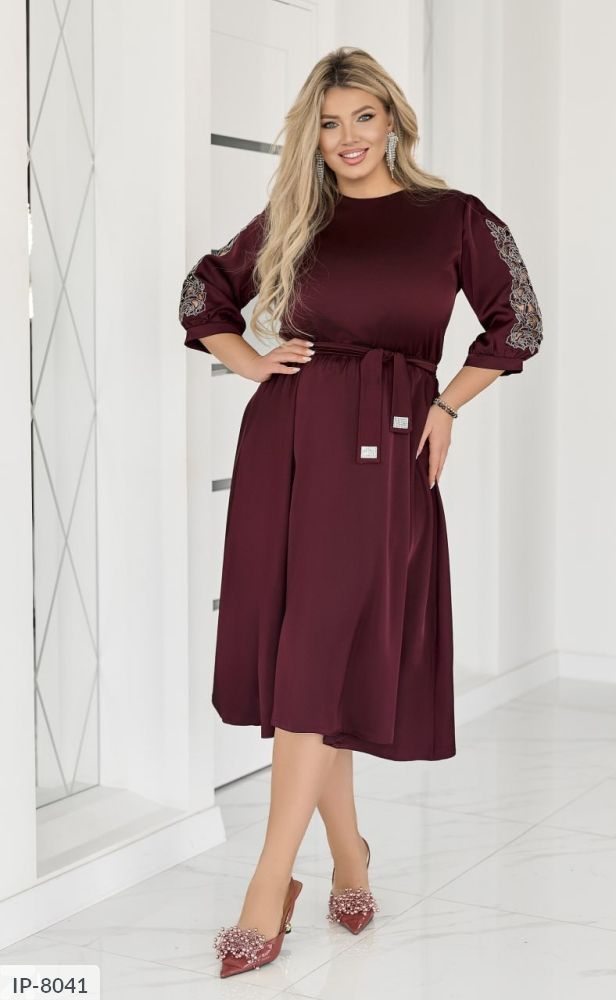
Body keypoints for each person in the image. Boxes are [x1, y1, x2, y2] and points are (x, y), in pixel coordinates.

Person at [178, 46, 543, 978]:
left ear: (393, 120)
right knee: (310, 654)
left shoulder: (453, 217)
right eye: (329, 124)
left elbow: (519, 322)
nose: (347, 139)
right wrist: (253, 363)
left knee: (318, 650)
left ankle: (268, 885)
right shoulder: (297, 218)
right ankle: (348, 858)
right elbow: (204, 293)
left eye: (363, 118)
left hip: (385, 446)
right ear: (313, 135)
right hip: (287, 444)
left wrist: (448, 404)